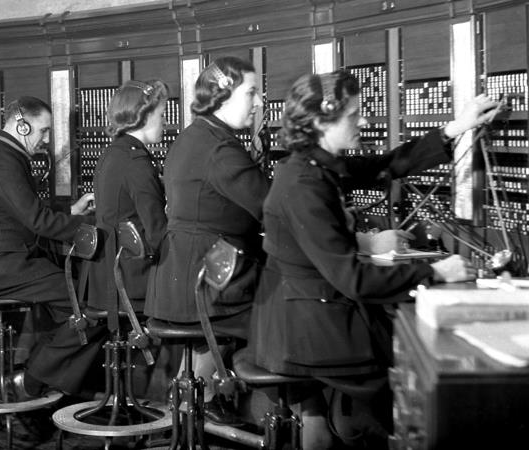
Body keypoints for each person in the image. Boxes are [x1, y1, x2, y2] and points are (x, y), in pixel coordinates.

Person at [249, 70, 499, 449]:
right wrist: (433, 271)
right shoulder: (304, 184)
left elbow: (386, 165)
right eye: (353, 115)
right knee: (414, 373)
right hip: (306, 329)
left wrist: (456, 128)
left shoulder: (314, 166)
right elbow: (354, 280)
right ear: (320, 122)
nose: (363, 120)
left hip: (303, 315)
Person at [144, 56, 267, 425]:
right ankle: (275, 416)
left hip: (180, 280)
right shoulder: (221, 149)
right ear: (224, 96)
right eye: (252, 92)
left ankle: (207, 394)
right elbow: (273, 208)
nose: (259, 102)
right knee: (288, 312)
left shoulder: (194, 135)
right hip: (204, 286)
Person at [0, 96, 104, 403]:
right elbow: (36, 220)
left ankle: (44, 379)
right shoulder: (1, 157)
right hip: (5, 267)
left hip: (8, 262)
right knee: (91, 307)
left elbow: (26, 214)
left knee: (77, 308)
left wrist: (72, 213)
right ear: (22, 124)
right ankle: (32, 379)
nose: (45, 140)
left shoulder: (0, 153)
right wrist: (91, 226)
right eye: (42, 131)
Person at [85, 79, 169, 328]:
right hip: (132, 280)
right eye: (161, 114)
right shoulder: (136, 161)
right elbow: (157, 234)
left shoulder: (113, 153)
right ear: (143, 116)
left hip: (108, 277)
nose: (164, 121)